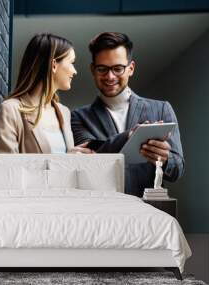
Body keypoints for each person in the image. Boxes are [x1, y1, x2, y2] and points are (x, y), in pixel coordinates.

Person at [71, 32, 184, 197]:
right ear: (92, 70)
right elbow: (90, 163)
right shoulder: (79, 117)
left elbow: (178, 170)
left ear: (130, 68)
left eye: (117, 68)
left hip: (147, 213)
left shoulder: (161, 109)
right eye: (102, 69)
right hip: (101, 213)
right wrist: (130, 136)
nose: (110, 76)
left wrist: (165, 159)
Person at [0, 33, 92, 154]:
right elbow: (7, 169)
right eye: (72, 63)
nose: (74, 71)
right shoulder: (10, 110)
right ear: (54, 65)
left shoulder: (64, 113)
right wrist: (63, 160)